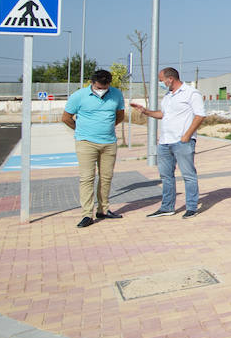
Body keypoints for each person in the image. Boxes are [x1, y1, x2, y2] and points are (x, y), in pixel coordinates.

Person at [131, 67, 207, 218]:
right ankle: (167, 207)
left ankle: (191, 207)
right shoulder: (167, 96)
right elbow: (163, 115)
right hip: (165, 142)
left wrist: (187, 136)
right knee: (166, 176)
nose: (160, 83)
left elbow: (200, 115)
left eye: (161, 80)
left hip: (182, 142)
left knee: (188, 175)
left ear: (170, 79)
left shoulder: (191, 93)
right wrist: (145, 111)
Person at [61, 69, 126, 228]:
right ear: (92, 83)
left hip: (109, 143)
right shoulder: (79, 96)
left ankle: (103, 209)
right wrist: (80, 130)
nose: (101, 90)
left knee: (106, 177)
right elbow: (66, 118)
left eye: (105, 87)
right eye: (98, 87)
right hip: (86, 142)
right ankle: (86, 214)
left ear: (109, 84)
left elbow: (120, 115)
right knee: (87, 178)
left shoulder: (116, 94)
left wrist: (106, 127)